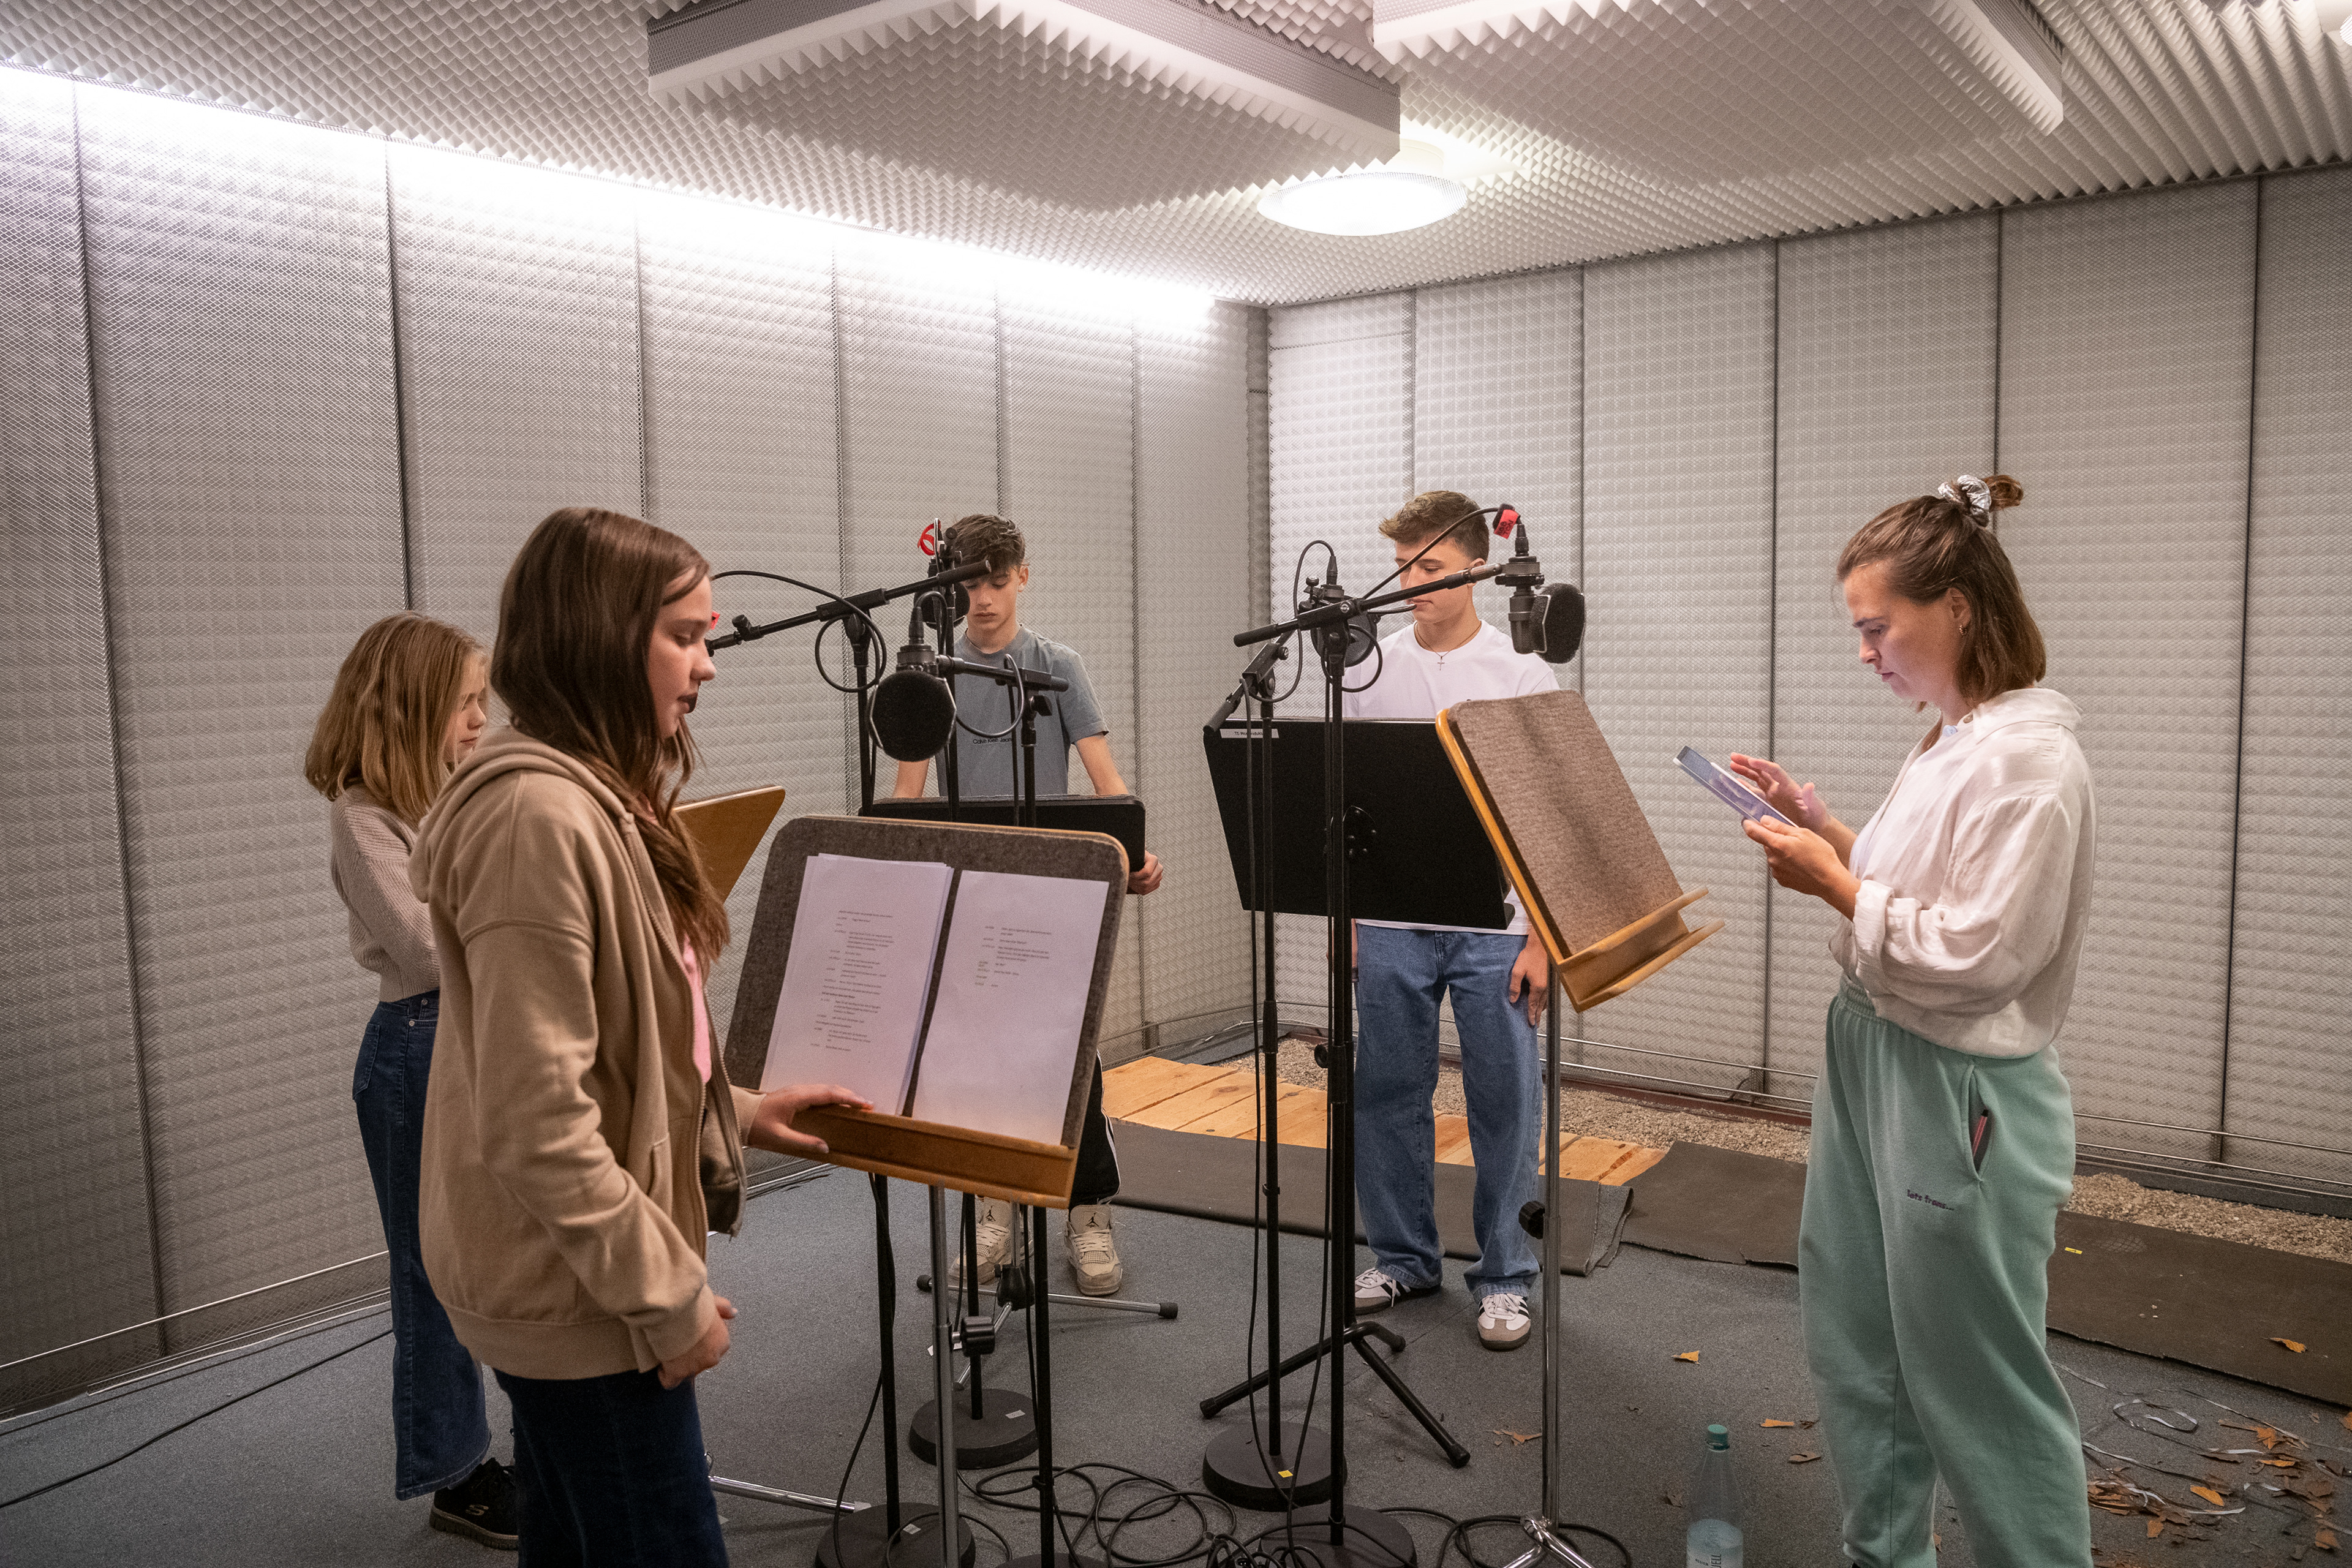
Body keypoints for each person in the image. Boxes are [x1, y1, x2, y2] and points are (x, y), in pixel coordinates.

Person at [412, 507, 869, 1566]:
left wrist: (744, 1110)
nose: (707, 666)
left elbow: (631, 1054)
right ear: (598, 636)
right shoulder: (538, 819)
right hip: (585, 1305)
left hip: (584, 1286)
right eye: (684, 636)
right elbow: (538, 1126)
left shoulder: (593, 799)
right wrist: (664, 1300)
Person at [1728, 473, 2095, 1567]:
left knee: (1976, 1375)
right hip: (1876, 1049)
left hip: (1955, 1083)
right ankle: (1885, 1554)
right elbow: (1919, 884)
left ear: (1960, 608)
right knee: (1863, 1343)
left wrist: (1836, 887)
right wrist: (1826, 827)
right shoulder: (1955, 734)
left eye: (1876, 628)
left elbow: (1980, 957)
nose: (1866, 653)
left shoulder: (2031, 760)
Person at [893, 513, 1163, 1296]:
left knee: (1068, 1057)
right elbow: (910, 789)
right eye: (968, 584)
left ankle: (1090, 1214)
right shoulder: (932, 675)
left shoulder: (1057, 666)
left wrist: (1132, 849)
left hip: (1049, 891)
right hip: (966, 892)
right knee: (976, 1061)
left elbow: (1106, 780)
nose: (982, 599)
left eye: (996, 581)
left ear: (1024, 576)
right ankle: (995, 1213)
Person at [305, 613, 513, 1548]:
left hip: (479, 1032)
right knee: (431, 1274)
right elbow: (429, 950)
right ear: (418, 704)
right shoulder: (364, 813)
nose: (481, 720)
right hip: (417, 1045)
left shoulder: (458, 788)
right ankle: (455, 1475)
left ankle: (542, 1437)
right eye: (467, 703)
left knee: (502, 1258)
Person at [1340, 490, 1556, 1351]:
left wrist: (1543, 936)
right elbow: (1349, 805)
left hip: (1495, 925)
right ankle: (1402, 1256)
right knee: (1388, 1092)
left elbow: (1547, 820)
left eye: (1428, 569)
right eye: (1402, 569)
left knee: (1505, 1099)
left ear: (1476, 567)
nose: (1411, 584)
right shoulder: (1365, 667)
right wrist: (1349, 919)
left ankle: (1505, 1276)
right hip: (1391, 918)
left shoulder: (1521, 674)